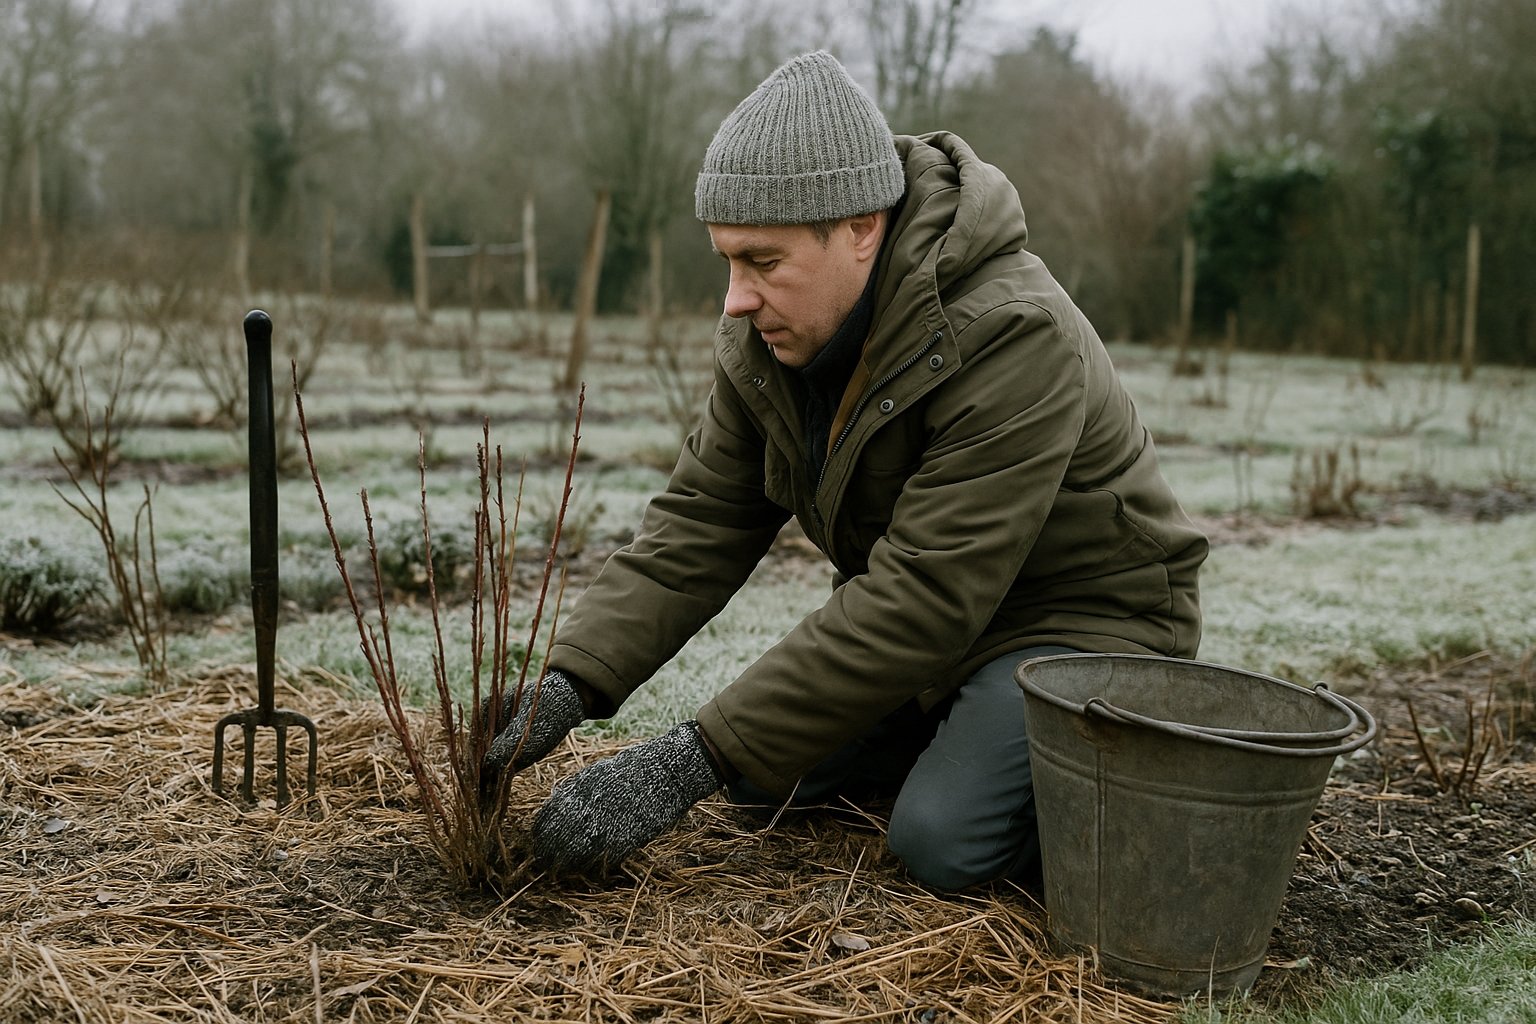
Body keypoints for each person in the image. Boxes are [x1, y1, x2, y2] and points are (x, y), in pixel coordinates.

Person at [483, 50, 1208, 889]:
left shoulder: (1013, 333)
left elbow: (925, 593)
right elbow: (699, 524)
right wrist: (567, 683)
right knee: (763, 780)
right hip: (941, 637)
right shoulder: (770, 343)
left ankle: (1126, 776)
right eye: (727, 261)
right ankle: (959, 737)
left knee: (941, 842)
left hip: (1083, 627)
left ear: (863, 227)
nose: (735, 298)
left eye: (763, 262)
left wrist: (686, 759)